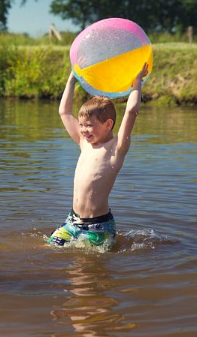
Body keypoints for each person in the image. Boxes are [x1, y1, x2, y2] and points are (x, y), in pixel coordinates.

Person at [48, 63, 149, 249]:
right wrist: (72, 78)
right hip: (72, 222)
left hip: (99, 227)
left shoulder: (116, 148)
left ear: (108, 124)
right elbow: (64, 112)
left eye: (89, 125)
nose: (83, 130)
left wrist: (137, 82)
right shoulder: (84, 143)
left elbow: (132, 111)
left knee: (88, 271)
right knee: (48, 250)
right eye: (81, 125)